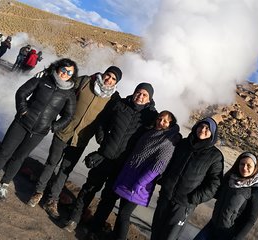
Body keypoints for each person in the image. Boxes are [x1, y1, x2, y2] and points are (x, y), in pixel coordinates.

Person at [27, 66, 123, 219]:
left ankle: (52, 201)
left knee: (65, 170)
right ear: (103, 73)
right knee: (51, 163)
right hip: (63, 130)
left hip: (81, 139)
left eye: (113, 79)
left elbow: (111, 120)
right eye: (108, 75)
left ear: (116, 83)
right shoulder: (85, 81)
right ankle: (38, 192)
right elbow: (65, 90)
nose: (109, 80)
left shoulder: (113, 98)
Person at [63, 82, 158, 233]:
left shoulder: (152, 117)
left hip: (124, 165)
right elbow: (103, 122)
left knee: (109, 198)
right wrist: (102, 139)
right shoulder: (120, 105)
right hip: (104, 157)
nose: (140, 96)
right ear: (134, 92)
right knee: (89, 188)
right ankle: (74, 218)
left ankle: (93, 228)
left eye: (144, 95)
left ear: (149, 98)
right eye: (138, 92)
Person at [0, 58, 78, 200]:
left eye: (69, 72)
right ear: (57, 68)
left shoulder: (69, 94)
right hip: (21, 123)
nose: (65, 73)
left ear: (72, 75)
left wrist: (53, 126)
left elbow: (69, 115)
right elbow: (21, 92)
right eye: (63, 69)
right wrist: (23, 110)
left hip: (38, 132)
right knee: (4, 152)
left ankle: (3, 185)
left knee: (19, 158)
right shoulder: (43, 79)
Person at [99, 111, 180, 240]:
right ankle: (114, 235)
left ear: (171, 124)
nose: (161, 122)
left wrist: (139, 183)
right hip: (128, 176)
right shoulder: (151, 132)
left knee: (124, 214)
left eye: (165, 121)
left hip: (140, 184)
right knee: (121, 212)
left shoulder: (169, 141)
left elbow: (158, 167)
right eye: (159, 119)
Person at [151, 117, 224, 240]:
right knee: (156, 231)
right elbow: (168, 162)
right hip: (166, 196)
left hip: (184, 204)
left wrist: (194, 198)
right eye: (201, 126)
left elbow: (214, 184)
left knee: (170, 236)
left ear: (212, 133)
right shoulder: (183, 144)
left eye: (207, 128)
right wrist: (163, 181)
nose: (203, 130)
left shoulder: (215, 156)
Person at [194, 152, 258, 240]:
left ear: (255, 167)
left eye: (249, 165)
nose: (245, 168)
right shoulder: (228, 180)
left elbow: (250, 220)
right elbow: (214, 193)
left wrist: (236, 238)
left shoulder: (256, 192)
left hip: (227, 234)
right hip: (212, 226)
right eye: (242, 164)